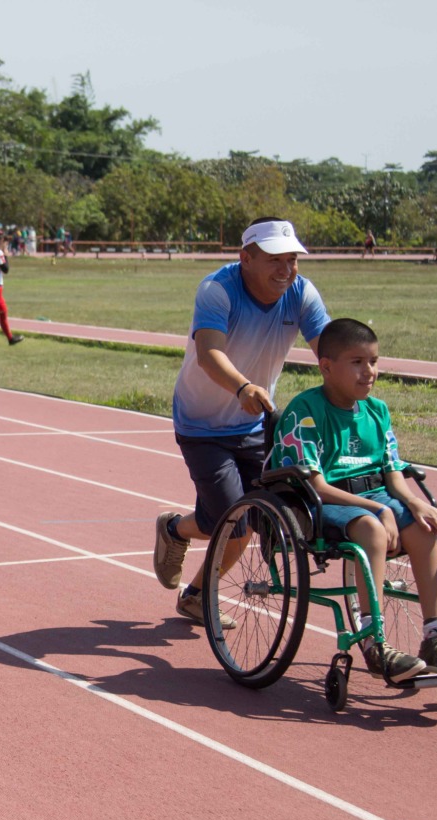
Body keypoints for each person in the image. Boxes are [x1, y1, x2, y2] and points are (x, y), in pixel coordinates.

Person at [153, 218, 330, 627]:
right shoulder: (218, 289)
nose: (286, 270)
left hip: (255, 425)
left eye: (292, 260)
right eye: (275, 260)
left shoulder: (301, 293)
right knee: (233, 522)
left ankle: (195, 591)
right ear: (245, 257)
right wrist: (243, 387)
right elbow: (209, 353)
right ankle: (178, 530)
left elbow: (329, 353)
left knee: (252, 516)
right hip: (202, 423)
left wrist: (349, 381)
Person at [270, 318, 437, 681]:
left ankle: (434, 635)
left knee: (426, 527)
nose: (370, 372)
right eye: (358, 362)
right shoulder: (304, 412)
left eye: (374, 362)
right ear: (327, 367)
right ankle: (373, 641)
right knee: (372, 529)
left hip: (376, 494)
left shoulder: (377, 411)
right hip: (325, 501)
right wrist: (378, 509)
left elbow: (392, 473)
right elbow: (315, 485)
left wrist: (413, 503)